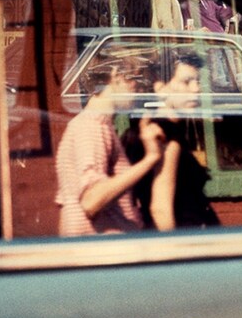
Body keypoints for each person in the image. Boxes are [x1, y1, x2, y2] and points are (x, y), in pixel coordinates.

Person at [55, 57, 165, 236]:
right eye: (135, 81)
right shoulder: (92, 127)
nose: (137, 90)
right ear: (115, 76)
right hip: (101, 253)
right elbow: (91, 201)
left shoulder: (94, 125)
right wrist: (150, 159)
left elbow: (67, 206)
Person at [122, 54, 219, 230]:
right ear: (160, 88)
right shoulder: (164, 136)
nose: (196, 89)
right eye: (186, 81)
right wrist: (175, 252)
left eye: (197, 81)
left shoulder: (164, 130)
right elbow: (160, 209)